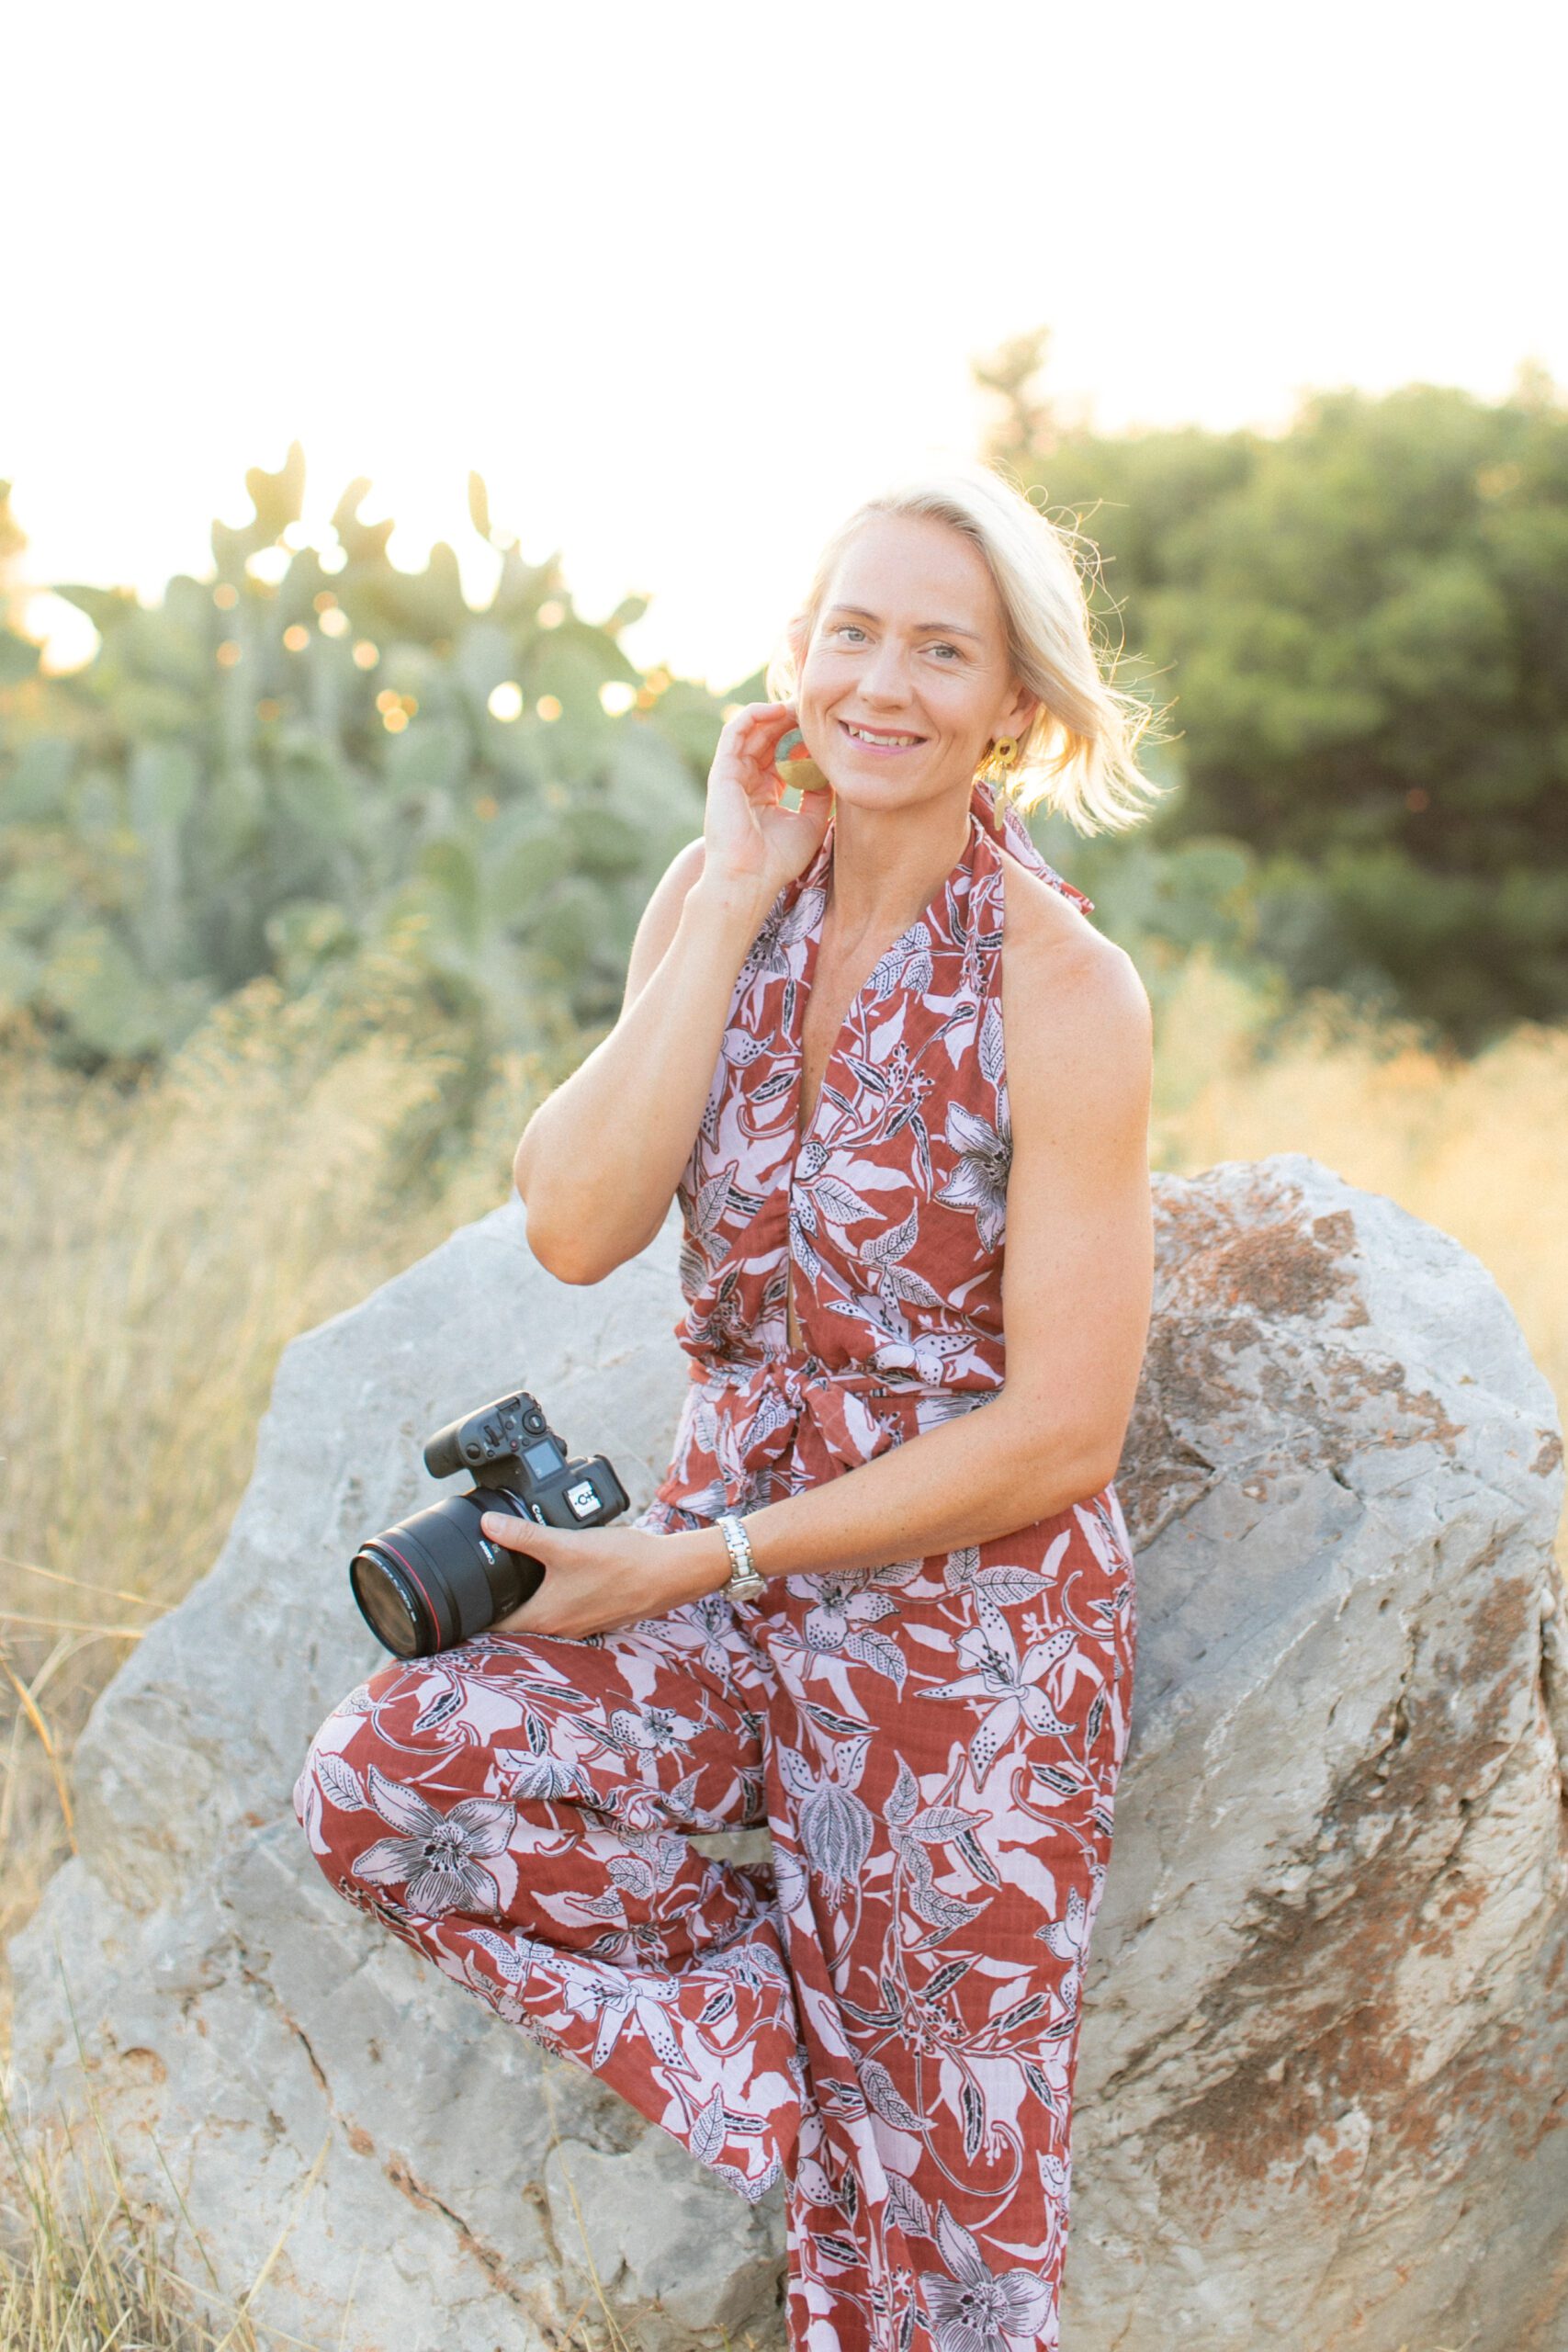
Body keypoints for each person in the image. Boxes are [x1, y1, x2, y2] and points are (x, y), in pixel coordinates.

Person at [296, 460, 1162, 2352]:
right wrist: (729, 893)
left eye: (942, 650)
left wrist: (705, 1549)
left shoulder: (1061, 985)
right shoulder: (723, 890)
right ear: (791, 655)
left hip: (963, 1658)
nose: (882, 682)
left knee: (938, 2290)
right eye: (850, 630)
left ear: (1013, 704)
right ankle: (812, 2083)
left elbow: (1060, 1431)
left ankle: (894, 2146)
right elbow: (578, 1213)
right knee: (388, 1779)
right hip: (718, 1610)